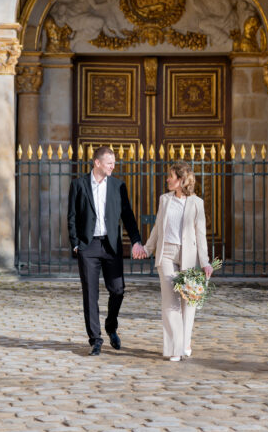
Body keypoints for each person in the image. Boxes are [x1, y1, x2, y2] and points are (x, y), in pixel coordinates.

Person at [67, 145, 146, 355]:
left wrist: (137, 240)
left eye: (113, 163)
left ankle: (111, 326)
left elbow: (127, 216)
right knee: (90, 294)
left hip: (111, 246)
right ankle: (95, 339)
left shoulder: (118, 186)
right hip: (88, 246)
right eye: (110, 163)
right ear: (98, 163)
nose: (113, 166)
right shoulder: (79, 185)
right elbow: (72, 216)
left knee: (118, 289)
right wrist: (76, 244)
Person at [144, 160, 213, 362]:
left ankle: (185, 342)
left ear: (181, 180)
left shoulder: (197, 203)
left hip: (188, 255)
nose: (167, 179)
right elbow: (157, 227)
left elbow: (201, 234)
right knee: (170, 301)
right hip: (166, 253)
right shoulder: (164, 199)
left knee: (188, 301)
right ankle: (175, 348)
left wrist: (206, 262)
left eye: (171, 176)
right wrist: (148, 248)